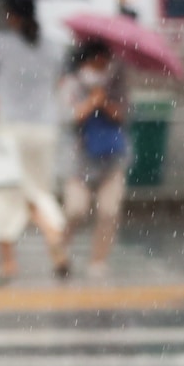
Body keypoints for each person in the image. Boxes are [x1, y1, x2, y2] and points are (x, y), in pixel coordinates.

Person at [0, 0, 70, 283]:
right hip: (45, 129)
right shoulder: (53, 48)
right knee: (40, 192)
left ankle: (8, 263)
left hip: (10, 128)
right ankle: (54, 233)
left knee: (6, 196)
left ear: (12, 15)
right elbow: (57, 81)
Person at [60, 39, 131, 280]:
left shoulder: (116, 84)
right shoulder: (71, 84)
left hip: (112, 159)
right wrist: (91, 101)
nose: (100, 69)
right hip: (80, 161)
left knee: (109, 211)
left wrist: (106, 102)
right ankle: (62, 248)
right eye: (96, 63)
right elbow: (69, 118)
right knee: (75, 210)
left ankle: (98, 260)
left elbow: (124, 116)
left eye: (105, 64)